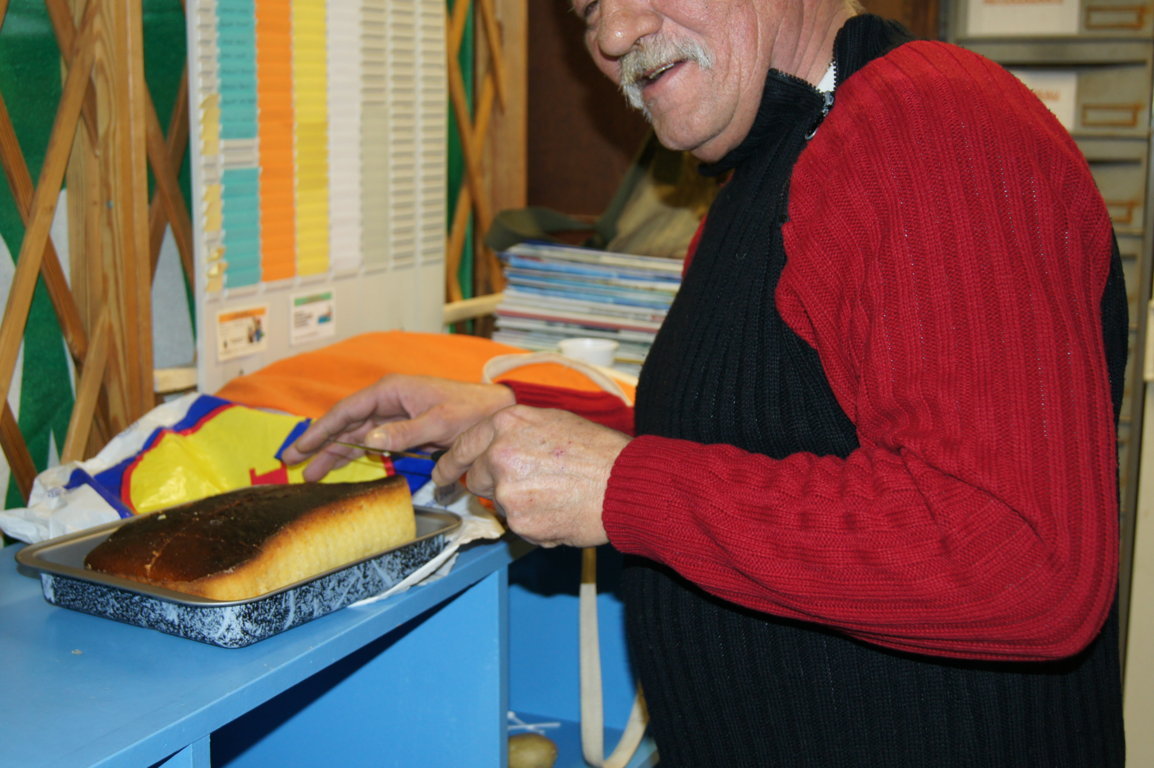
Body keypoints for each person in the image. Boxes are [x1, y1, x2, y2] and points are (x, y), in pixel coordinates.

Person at [283, 1, 1129, 764]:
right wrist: (514, 420)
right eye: (586, 11)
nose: (611, 38)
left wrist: (619, 486)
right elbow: (778, 429)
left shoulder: (931, 124)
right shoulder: (772, 162)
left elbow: (1021, 554)